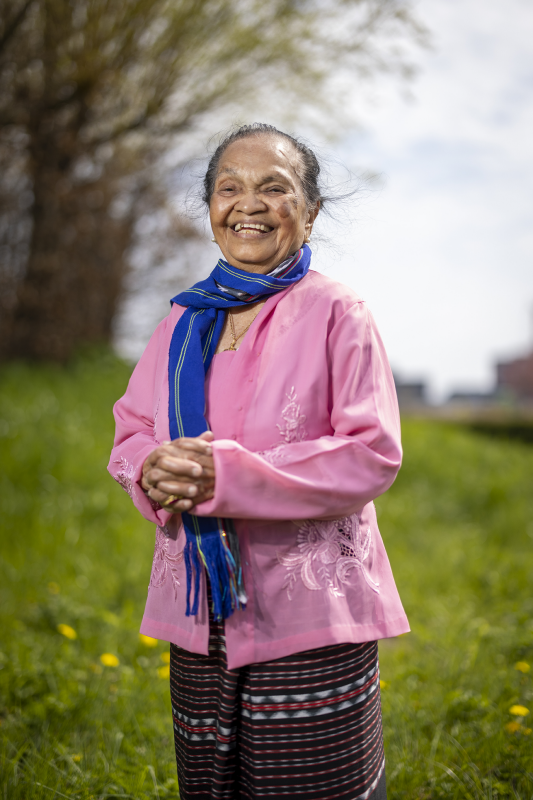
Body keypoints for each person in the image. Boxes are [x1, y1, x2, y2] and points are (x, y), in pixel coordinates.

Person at [108, 123, 409, 800]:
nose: (248, 203)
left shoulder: (337, 312)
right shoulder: (179, 325)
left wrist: (226, 476)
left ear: (309, 211)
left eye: (274, 188)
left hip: (309, 613)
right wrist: (151, 469)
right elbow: (131, 431)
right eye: (229, 187)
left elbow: (370, 454)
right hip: (198, 607)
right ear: (211, 207)